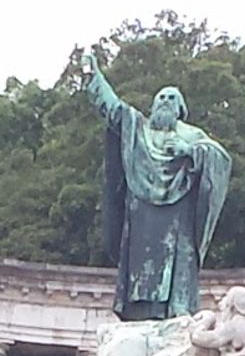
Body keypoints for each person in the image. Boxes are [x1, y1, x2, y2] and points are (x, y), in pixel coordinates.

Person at [83, 47, 231, 321]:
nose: (164, 101)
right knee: (140, 267)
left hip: (179, 214)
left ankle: (177, 310)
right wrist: (94, 75)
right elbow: (114, 108)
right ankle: (139, 313)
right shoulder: (137, 129)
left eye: (171, 98)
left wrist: (189, 151)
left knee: (180, 261)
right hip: (141, 212)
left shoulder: (193, 135)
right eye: (160, 97)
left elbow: (220, 159)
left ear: (180, 109)